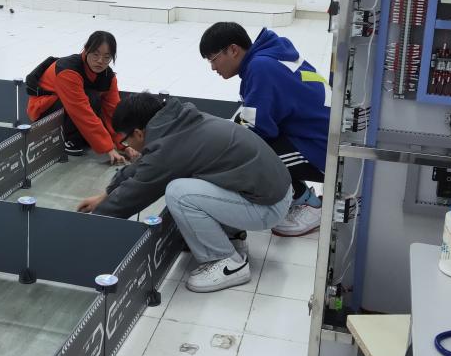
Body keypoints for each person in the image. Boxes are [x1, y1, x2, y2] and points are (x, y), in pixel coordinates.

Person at [77, 93, 292, 293]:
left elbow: (134, 194)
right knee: (195, 178)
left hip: (267, 207)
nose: (126, 145)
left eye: (125, 141)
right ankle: (231, 238)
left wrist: (89, 227)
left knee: (179, 192)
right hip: (270, 192)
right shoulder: (178, 122)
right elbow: (146, 164)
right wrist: (107, 193)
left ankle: (227, 262)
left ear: (139, 133)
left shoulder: (170, 146)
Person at [199, 22, 330, 237]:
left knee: (246, 156)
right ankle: (300, 195)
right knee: (245, 139)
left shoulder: (261, 68)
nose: (213, 68)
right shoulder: (270, 55)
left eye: (213, 59)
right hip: (321, 137)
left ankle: (309, 203)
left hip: (321, 150)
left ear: (233, 50)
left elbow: (256, 131)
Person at [25, 31, 135, 165]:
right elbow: (81, 111)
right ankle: (70, 140)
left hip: (71, 112)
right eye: (95, 55)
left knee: (92, 98)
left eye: (107, 57)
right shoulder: (68, 71)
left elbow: (113, 112)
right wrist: (108, 147)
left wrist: (123, 144)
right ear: (86, 50)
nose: (100, 61)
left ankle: (80, 136)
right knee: (90, 98)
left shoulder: (108, 77)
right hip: (45, 111)